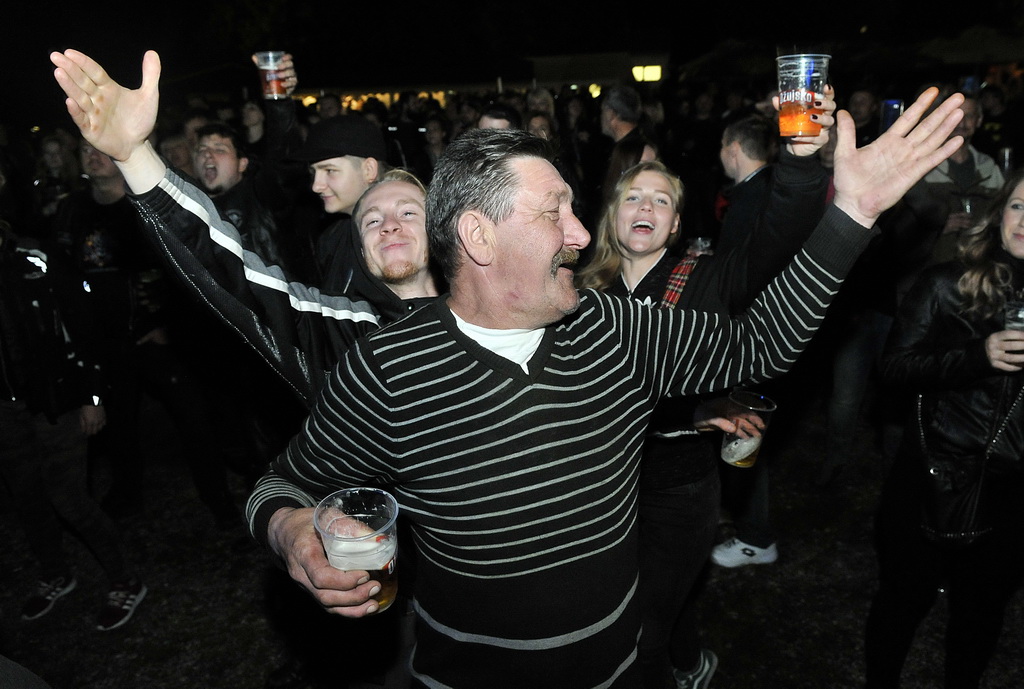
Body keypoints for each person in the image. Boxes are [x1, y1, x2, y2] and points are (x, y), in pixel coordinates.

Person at [52, 47, 966, 688]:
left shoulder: (617, 328)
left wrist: (847, 213)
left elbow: (759, 345)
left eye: (578, 208)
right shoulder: (390, 365)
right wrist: (293, 535)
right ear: (480, 236)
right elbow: (281, 481)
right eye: (558, 212)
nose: (582, 232)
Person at [575, 92, 833, 687]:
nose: (646, 206)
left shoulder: (710, 277)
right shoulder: (581, 295)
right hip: (602, 490)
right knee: (634, 604)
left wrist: (797, 161)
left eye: (661, 200)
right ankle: (693, 663)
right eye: (633, 196)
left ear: (675, 222)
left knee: (641, 631)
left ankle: (673, 665)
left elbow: (778, 238)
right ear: (612, 215)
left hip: (676, 490)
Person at [864, 169, 1024, 689]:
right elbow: (892, 369)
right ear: (1001, 211)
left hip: (1009, 492)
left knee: (979, 616)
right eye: (1020, 206)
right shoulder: (945, 282)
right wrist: (976, 357)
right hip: (933, 475)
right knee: (902, 602)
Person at [0, 158, 146, 632]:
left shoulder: (34, 257)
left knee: (68, 496)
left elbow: (81, 326)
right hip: (6, 409)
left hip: (57, 400)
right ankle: (55, 574)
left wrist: (93, 397)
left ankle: (125, 580)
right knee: (26, 495)